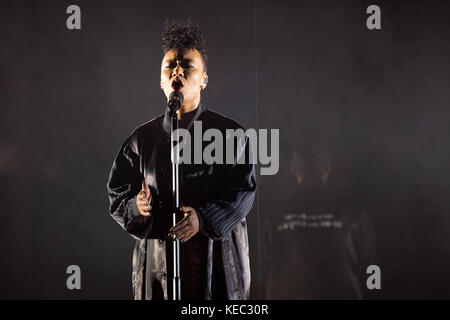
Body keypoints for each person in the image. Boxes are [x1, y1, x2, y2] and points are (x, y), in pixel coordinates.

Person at [107, 18, 256, 300]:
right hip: (158, 268)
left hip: (217, 265)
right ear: (161, 81)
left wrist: (203, 218)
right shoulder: (141, 140)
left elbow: (243, 192)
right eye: (170, 66)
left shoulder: (230, 134)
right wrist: (137, 206)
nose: (177, 70)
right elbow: (117, 196)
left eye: (187, 65)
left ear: (203, 80)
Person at [264, 135, 378, 299]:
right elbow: (370, 267)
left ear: (293, 169)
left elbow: (261, 267)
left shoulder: (274, 213)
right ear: (328, 168)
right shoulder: (353, 212)